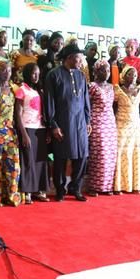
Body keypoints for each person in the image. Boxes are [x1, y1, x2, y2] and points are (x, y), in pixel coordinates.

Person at [44, 44, 91, 201]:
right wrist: (53, 125)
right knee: (61, 157)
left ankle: (75, 188)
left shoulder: (81, 76)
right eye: (79, 58)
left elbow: (86, 101)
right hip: (63, 123)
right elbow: (49, 102)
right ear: (70, 58)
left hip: (80, 123)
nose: (81, 61)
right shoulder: (53, 75)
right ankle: (60, 189)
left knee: (82, 156)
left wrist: (88, 120)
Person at [0, 61, 21, 206]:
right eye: (3, 70)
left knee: (12, 165)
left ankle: (11, 195)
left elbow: (17, 114)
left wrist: (21, 133)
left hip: (10, 132)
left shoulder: (15, 89)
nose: (7, 73)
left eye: (9, 70)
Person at [15, 63, 50, 204]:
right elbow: (17, 113)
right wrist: (23, 133)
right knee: (28, 161)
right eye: (33, 73)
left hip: (40, 129)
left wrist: (47, 131)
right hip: (28, 128)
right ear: (27, 73)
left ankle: (40, 190)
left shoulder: (39, 90)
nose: (36, 76)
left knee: (40, 161)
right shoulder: (21, 90)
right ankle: (27, 192)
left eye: (38, 73)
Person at [85, 60, 117, 196]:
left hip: (110, 122)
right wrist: (88, 122)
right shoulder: (91, 86)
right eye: (103, 70)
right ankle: (93, 186)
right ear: (96, 72)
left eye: (108, 70)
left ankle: (106, 186)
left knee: (110, 155)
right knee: (99, 154)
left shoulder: (111, 87)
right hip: (97, 122)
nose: (107, 73)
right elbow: (86, 105)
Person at [113, 66, 140, 194]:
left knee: (136, 154)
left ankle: (136, 185)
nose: (133, 77)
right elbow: (113, 107)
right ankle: (119, 186)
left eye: (135, 75)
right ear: (124, 76)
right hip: (121, 125)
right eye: (130, 74)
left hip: (136, 127)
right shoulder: (117, 90)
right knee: (121, 153)